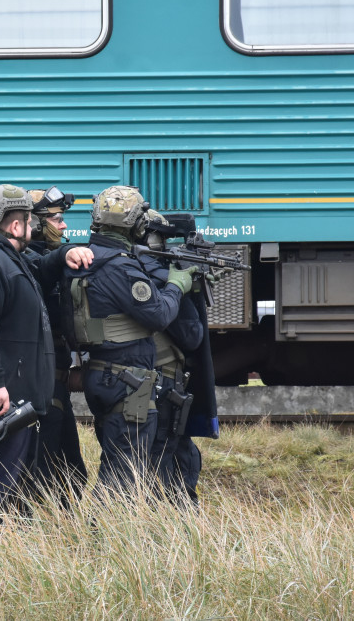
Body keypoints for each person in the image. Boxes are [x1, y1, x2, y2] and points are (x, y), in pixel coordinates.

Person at [0, 184, 93, 527]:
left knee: (8, 484)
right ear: (15, 226)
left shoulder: (5, 256)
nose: (33, 229)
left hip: (14, 395)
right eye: (29, 223)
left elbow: (39, 270)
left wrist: (62, 255)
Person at [62, 185, 197, 495]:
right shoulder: (122, 268)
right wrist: (177, 285)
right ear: (137, 225)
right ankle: (104, 539)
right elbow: (160, 315)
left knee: (119, 463)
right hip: (126, 381)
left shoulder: (82, 259)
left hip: (102, 372)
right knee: (125, 472)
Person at [22, 186, 88, 506]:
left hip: (57, 381)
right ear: (33, 223)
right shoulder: (25, 262)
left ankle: (67, 531)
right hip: (42, 386)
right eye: (56, 219)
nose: (63, 226)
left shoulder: (43, 259)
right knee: (45, 470)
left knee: (72, 471)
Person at [138, 211, 206, 505]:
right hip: (161, 379)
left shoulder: (126, 268)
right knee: (166, 460)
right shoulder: (155, 275)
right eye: (163, 238)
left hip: (148, 380)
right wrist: (183, 290)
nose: (167, 245)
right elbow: (191, 335)